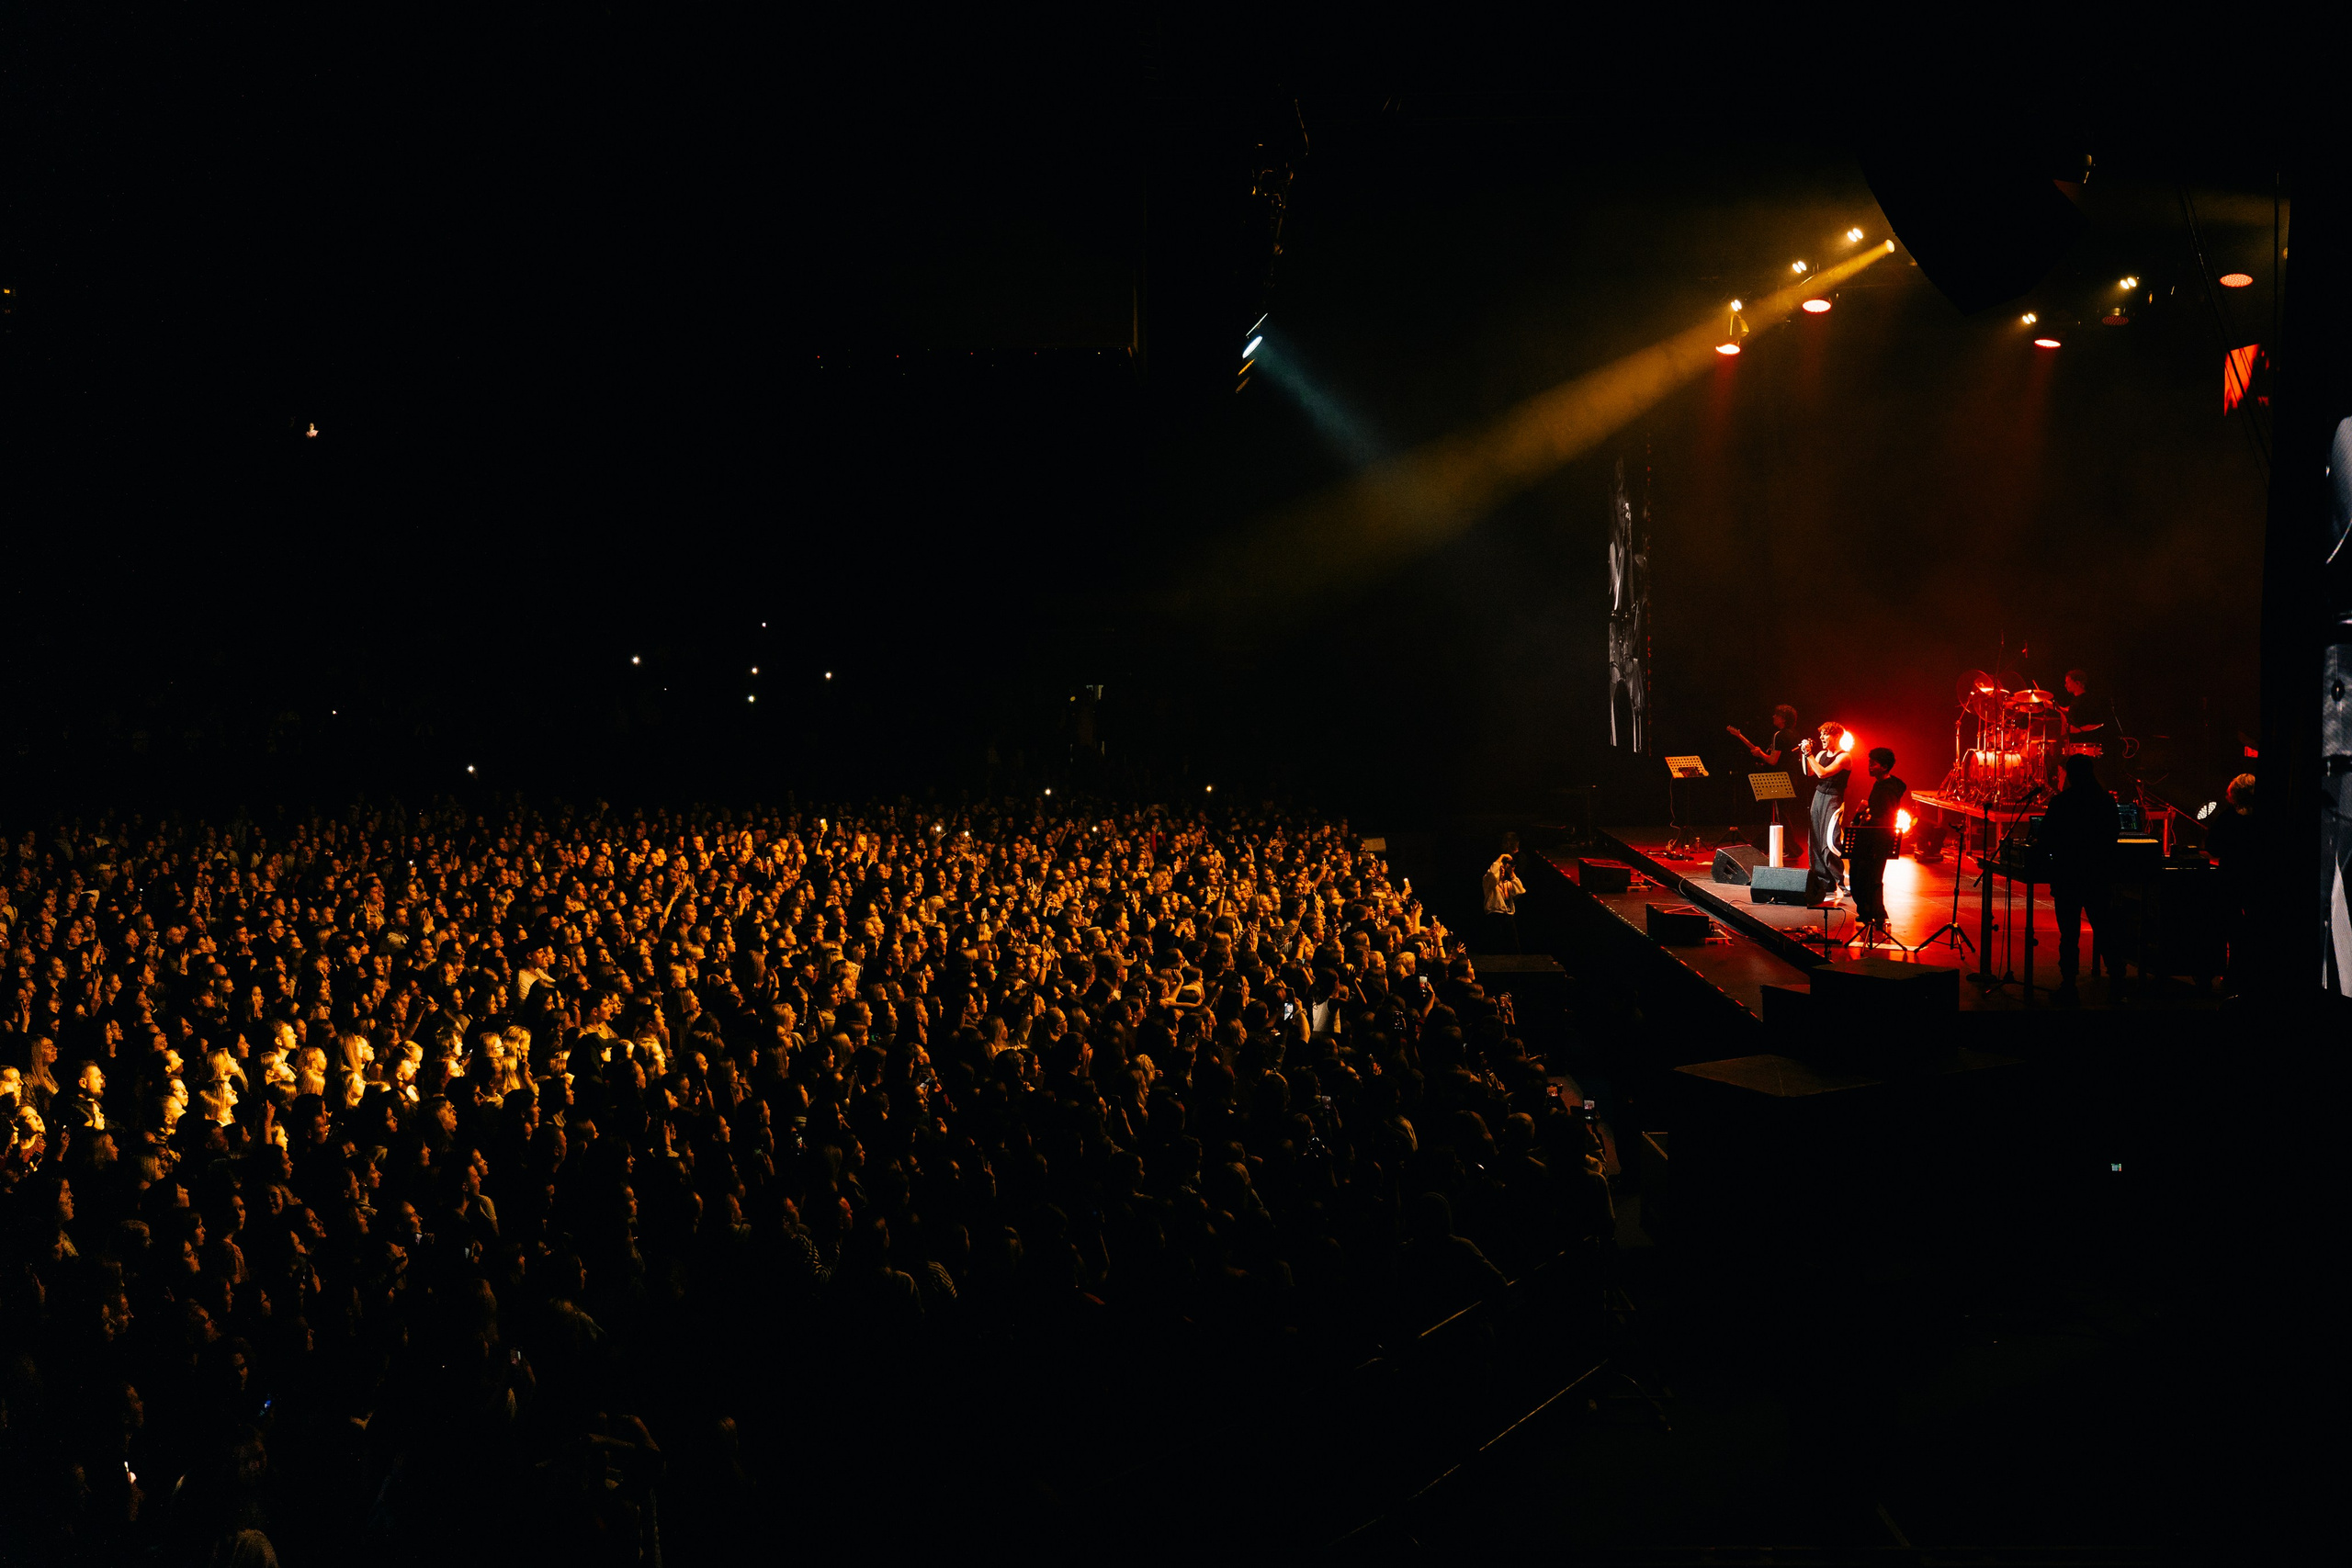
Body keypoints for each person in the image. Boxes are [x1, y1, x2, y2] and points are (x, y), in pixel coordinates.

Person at [2042, 751, 2120, 1003]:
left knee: (2069, 935)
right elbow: (2114, 834)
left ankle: (2069, 985)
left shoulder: (2061, 802)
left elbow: (2047, 838)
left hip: (2068, 875)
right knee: (2105, 929)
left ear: (2070, 775)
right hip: (2098, 874)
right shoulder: (2106, 801)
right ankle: (2117, 983)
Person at [1849, 747, 1908, 941]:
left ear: (1884, 767)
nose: (1870, 767)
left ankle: (1877, 914)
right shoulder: (1882, 785)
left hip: (1877, 840)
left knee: (1870, 877)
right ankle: (1869, 912)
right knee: (1864, 876)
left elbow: (1886, 818)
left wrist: (1865, 814)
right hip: (1872, 838)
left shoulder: (1886, 789)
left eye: (1873, 764)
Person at [1801, 721, 1855, 894]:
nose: (1822, 738)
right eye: (1821, 734)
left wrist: (1809, 754)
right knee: (1815, 841)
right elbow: (1809, 772)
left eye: (1826, 734)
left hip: (1833, 799)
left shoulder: (1844, 757)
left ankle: (1843, 881)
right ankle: (1824, 882)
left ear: (1837, 736)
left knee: (1831, 842)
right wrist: (1804, 754)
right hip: (1818, 797)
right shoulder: (1821, 754)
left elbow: (1822, 773)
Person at [1480, 852, 1525, 954]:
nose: (1502, 870)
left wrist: (1512, 873)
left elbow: (1520, 891)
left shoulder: (1507, 884)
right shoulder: (1489, 883)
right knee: (1496, 947)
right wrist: (1501, 858)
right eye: (1500, 868)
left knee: (1514, 947)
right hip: (1495, 916)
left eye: (1503, 868)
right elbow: (1492, 873)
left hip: (1508, 917)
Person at [2060, 668, 2113, 749]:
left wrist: (2078, 730)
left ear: (2077, 683)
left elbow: (2100, 723)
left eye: (2068, 682)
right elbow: (2073, 711)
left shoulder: (2088, 700)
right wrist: (2055, 706)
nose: (2065, 685)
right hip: (2074, 743)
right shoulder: (2076, 699)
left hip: (2086, 745)